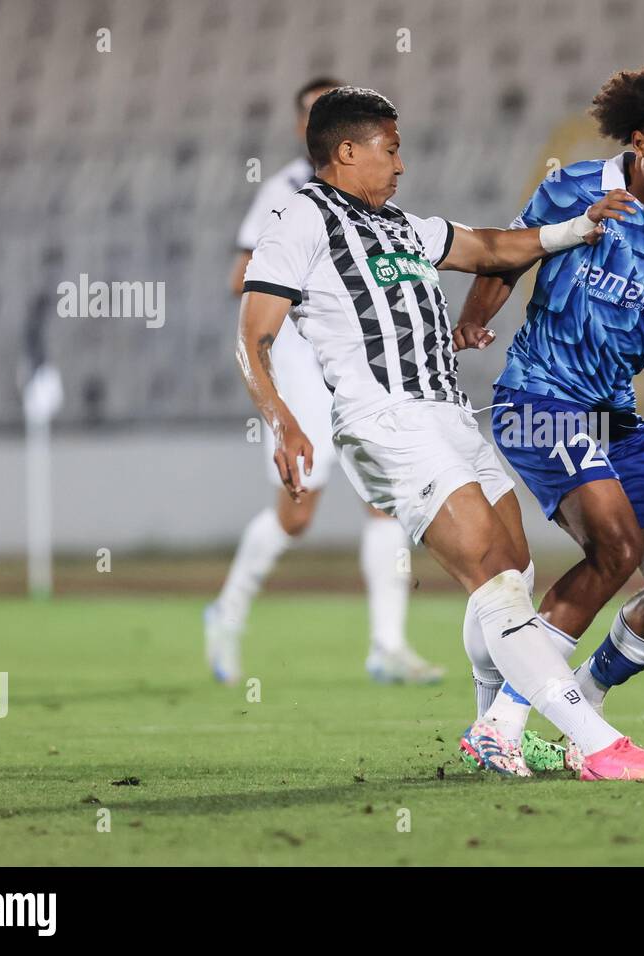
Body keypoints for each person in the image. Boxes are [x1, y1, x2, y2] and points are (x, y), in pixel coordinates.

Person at [236, 85, 644, 780]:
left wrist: (579, 226)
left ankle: (492, 735)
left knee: (516, 569)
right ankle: (597, 742)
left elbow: (494, 247)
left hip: (447, 412)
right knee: (496, 577)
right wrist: (282, 420)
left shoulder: (400, 226)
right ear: (347, 150)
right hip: (385, 421)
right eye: (391, 148)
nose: (401, 163)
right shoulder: (299, 220)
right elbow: (253, 335)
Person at [452, 54, 644, 769]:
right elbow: (507, 260)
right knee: (616, 546)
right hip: (538, 399)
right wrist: (472, 323)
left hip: (613, 417)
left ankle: (584, 702)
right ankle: (501, 723)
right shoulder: (570, 189)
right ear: (639, 145)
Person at [206, 77, 443, 686]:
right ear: (306, 133)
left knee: (383, 504)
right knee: (298, 512)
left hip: (363, 369)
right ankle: (227, 613)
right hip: (303, 371)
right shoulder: (286, 196)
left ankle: (387, 644)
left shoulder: (375, 207)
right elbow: (242, 278)